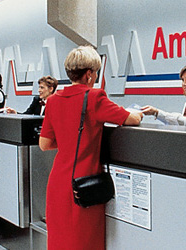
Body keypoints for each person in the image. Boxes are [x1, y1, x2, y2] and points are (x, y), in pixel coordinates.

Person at [39, 45, 143, 250]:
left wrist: (68, 138)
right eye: (95, 72)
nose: (95, 76)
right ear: (88, 74)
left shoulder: (53, 101)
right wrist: (139, 112)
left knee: (59, 241)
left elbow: (45, 144)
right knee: (84, 241)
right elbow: (130, 119)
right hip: (85, 184)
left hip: (58, 182)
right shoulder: (94, 97)